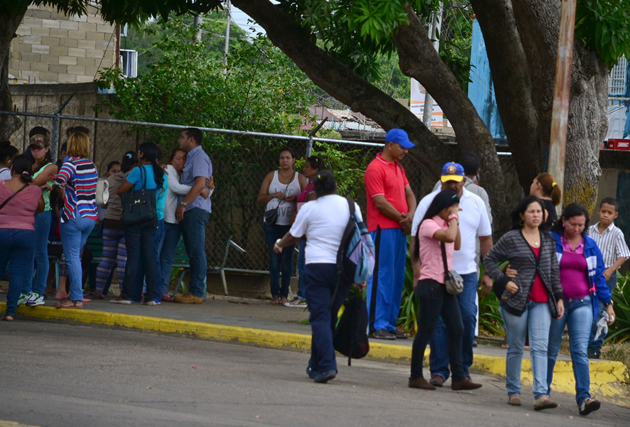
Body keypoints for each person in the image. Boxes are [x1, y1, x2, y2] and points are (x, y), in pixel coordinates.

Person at [273, 169, 364, 383]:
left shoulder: (310, 208)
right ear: (335, 186)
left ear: (314, 188)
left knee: (320, 317)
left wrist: (279, 244)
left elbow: (293, 235)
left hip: (317, 268)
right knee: (328, 317)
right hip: (343, 270)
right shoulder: (351, 206)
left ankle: (327, 366)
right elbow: (359, 237)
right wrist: (359, 273)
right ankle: (315, 364)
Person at [411, 162, 492, 387]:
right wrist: (454, 218)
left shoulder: (474, 204)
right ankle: (422, 373)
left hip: (460, 275)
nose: (452, 186)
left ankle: (460, 374)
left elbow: (457, 243)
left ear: (464, 181)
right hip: (433, 281)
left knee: (461, 323)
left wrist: (452, 218)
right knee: (431, 327)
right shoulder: (428, 221)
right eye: (447, 182)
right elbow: (436, 239)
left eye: (456, 182)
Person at [484, 196, 565, 409]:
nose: (536, 215)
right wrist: (503, 280)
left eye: (539, 211)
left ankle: (541, 394)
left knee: (540, 347)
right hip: (516, 300)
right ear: (522, 215)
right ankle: (513, 391)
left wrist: (558, 296)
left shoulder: (549, 239)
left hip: (542, 301)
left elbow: (553, 271)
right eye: (531, 211)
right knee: (516, 346)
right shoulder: (511, 237)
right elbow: (489, 259)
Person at [548, 203, 616, 416]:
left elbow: (598, 277)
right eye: (573, 224)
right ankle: (543, 393)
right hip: (557, 302)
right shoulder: (552, 240)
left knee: (579, 350)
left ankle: (584, 398)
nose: (577, 229)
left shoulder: (590, 245)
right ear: (564, 221)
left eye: (581, 225)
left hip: (583, 302)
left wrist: (608, 303)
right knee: (551, 348)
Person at [364, 128, 416, 340]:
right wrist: (403, 218)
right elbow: (380, 202)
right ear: (390, 145)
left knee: (395, 277)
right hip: (382, 229)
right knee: (381, 276)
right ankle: (377, 325)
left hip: (397, 229)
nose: (405, 151)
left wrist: (411, 215)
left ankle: (389, 322)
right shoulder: (375, 168)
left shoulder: (397, 167)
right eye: (402, 147)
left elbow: (409, 193)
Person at [116, 142, 167, 306]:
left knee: (133, 255)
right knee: (150, 256)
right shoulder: (162, 174)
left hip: (135, 218)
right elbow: (160, 193)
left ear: (143, 154)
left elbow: (121, 190)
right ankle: (152, 296)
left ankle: (128, 295)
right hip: (152, 218)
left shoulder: (138, 171)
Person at [159, 147, 212, 302]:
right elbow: (175, 188)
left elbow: (204, 196)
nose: (182, 161)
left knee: (167, 257)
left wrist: (208, 189)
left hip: (175, 221)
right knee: (157, 255)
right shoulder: (168, 170)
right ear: (171, 160)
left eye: (184, 159)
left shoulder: (184, 176)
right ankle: (151, 288)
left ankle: (163, 290)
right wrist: (200, 188)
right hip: (165, 219)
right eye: (178, 158)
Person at [53, 132, 98, 309]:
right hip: (90, 216)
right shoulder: (91, 165)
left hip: (73, 214)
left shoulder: (70, 163)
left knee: (71, 257)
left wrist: (64, 195)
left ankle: (76, 298)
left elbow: (59, 182)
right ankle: (75, 294)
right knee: (76, 257)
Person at [257, 146, 306, 305]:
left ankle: (285, 294)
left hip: (290, 225)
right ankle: (275, 294)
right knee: (274, 259)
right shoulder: (271, 176)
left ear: (293, 160)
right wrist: (273, 195)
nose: (284, 161)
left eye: (287, 158)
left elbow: (307, 198)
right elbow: (260, 198)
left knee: (287, 259)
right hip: (272, 223)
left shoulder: (300, 178)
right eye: (282, 158)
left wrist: (295, 198)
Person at [0, 155, 44, 320]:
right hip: (25, 234)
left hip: (1, 231)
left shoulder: (1, 185)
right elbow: (39, 208)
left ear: (12, 169)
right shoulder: (34, 190)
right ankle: (10, 313)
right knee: (17, 273)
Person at [173, 128, 214, 304]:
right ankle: (196, 291)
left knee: (196, 251)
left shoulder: (199, 157)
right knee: (193, 251)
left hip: (195, 210)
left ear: (191, 139)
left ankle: (197, 291)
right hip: (193, 209)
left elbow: (199, 184)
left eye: (182, 137)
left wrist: (183, 204)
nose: (179, 140)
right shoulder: (192, 157)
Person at [587, 198, 630, 358]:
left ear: (615, 215)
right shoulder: (590, 230)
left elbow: (624, 254)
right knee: (587, 309)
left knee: (600, 311)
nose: (605, 215)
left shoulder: (617, 233)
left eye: (609, 213)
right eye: (603, 211)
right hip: (589, 275)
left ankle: (595, 346)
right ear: (598, 211)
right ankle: (583, 344)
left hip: (606, 276)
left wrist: (611, 270)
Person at [21, 131, 59, 307]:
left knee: (40, 252)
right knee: (27, 253)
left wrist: (30, 183)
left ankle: (39, 291)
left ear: (47, 149)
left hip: (42, 212)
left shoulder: (51, 167)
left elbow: (31, 183)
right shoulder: (28, 164)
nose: (36, 152)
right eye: (33, 148)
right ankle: (26, 290)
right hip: (27, 211)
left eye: (39, 148)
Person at [94, 152, 138, 300]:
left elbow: (102, 202)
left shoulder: (110, 179)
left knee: (106, 258)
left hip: (109, 222)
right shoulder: (136, 177)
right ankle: (122, 292)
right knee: (123, 260)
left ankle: (98, 290)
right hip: (127, 223)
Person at [286, 155, 324, 307]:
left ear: (315, 169)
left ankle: (304, 295)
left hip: (309, 229)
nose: (304, 169)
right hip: (305, 229)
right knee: (302, 262)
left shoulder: (316, 186)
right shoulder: (311, 184)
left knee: (304, 262)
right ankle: (303, 294)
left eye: (307, 167)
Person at [432, 151, 492, 225]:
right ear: (478, 171)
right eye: (449, 183)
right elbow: (487, 221)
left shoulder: (439, 183)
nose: (451, 186)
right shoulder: (479, 191)